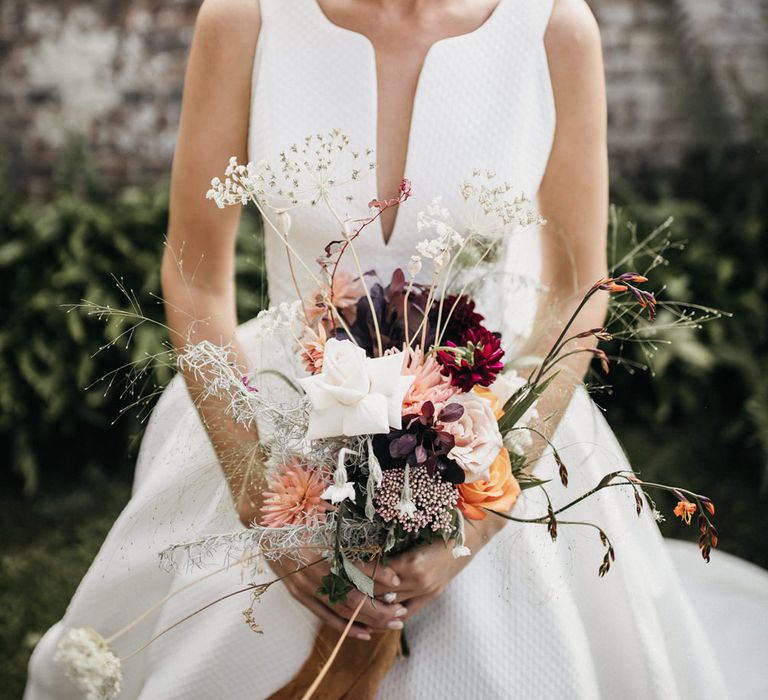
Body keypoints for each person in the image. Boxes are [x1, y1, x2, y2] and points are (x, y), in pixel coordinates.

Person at [25, 1, 768, 698]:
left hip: (491, 425)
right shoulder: (248, 15)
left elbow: (579, 289)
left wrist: (479, 518)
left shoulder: (552, 27)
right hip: (279, 421)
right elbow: (193, 280)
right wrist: (266, 507)